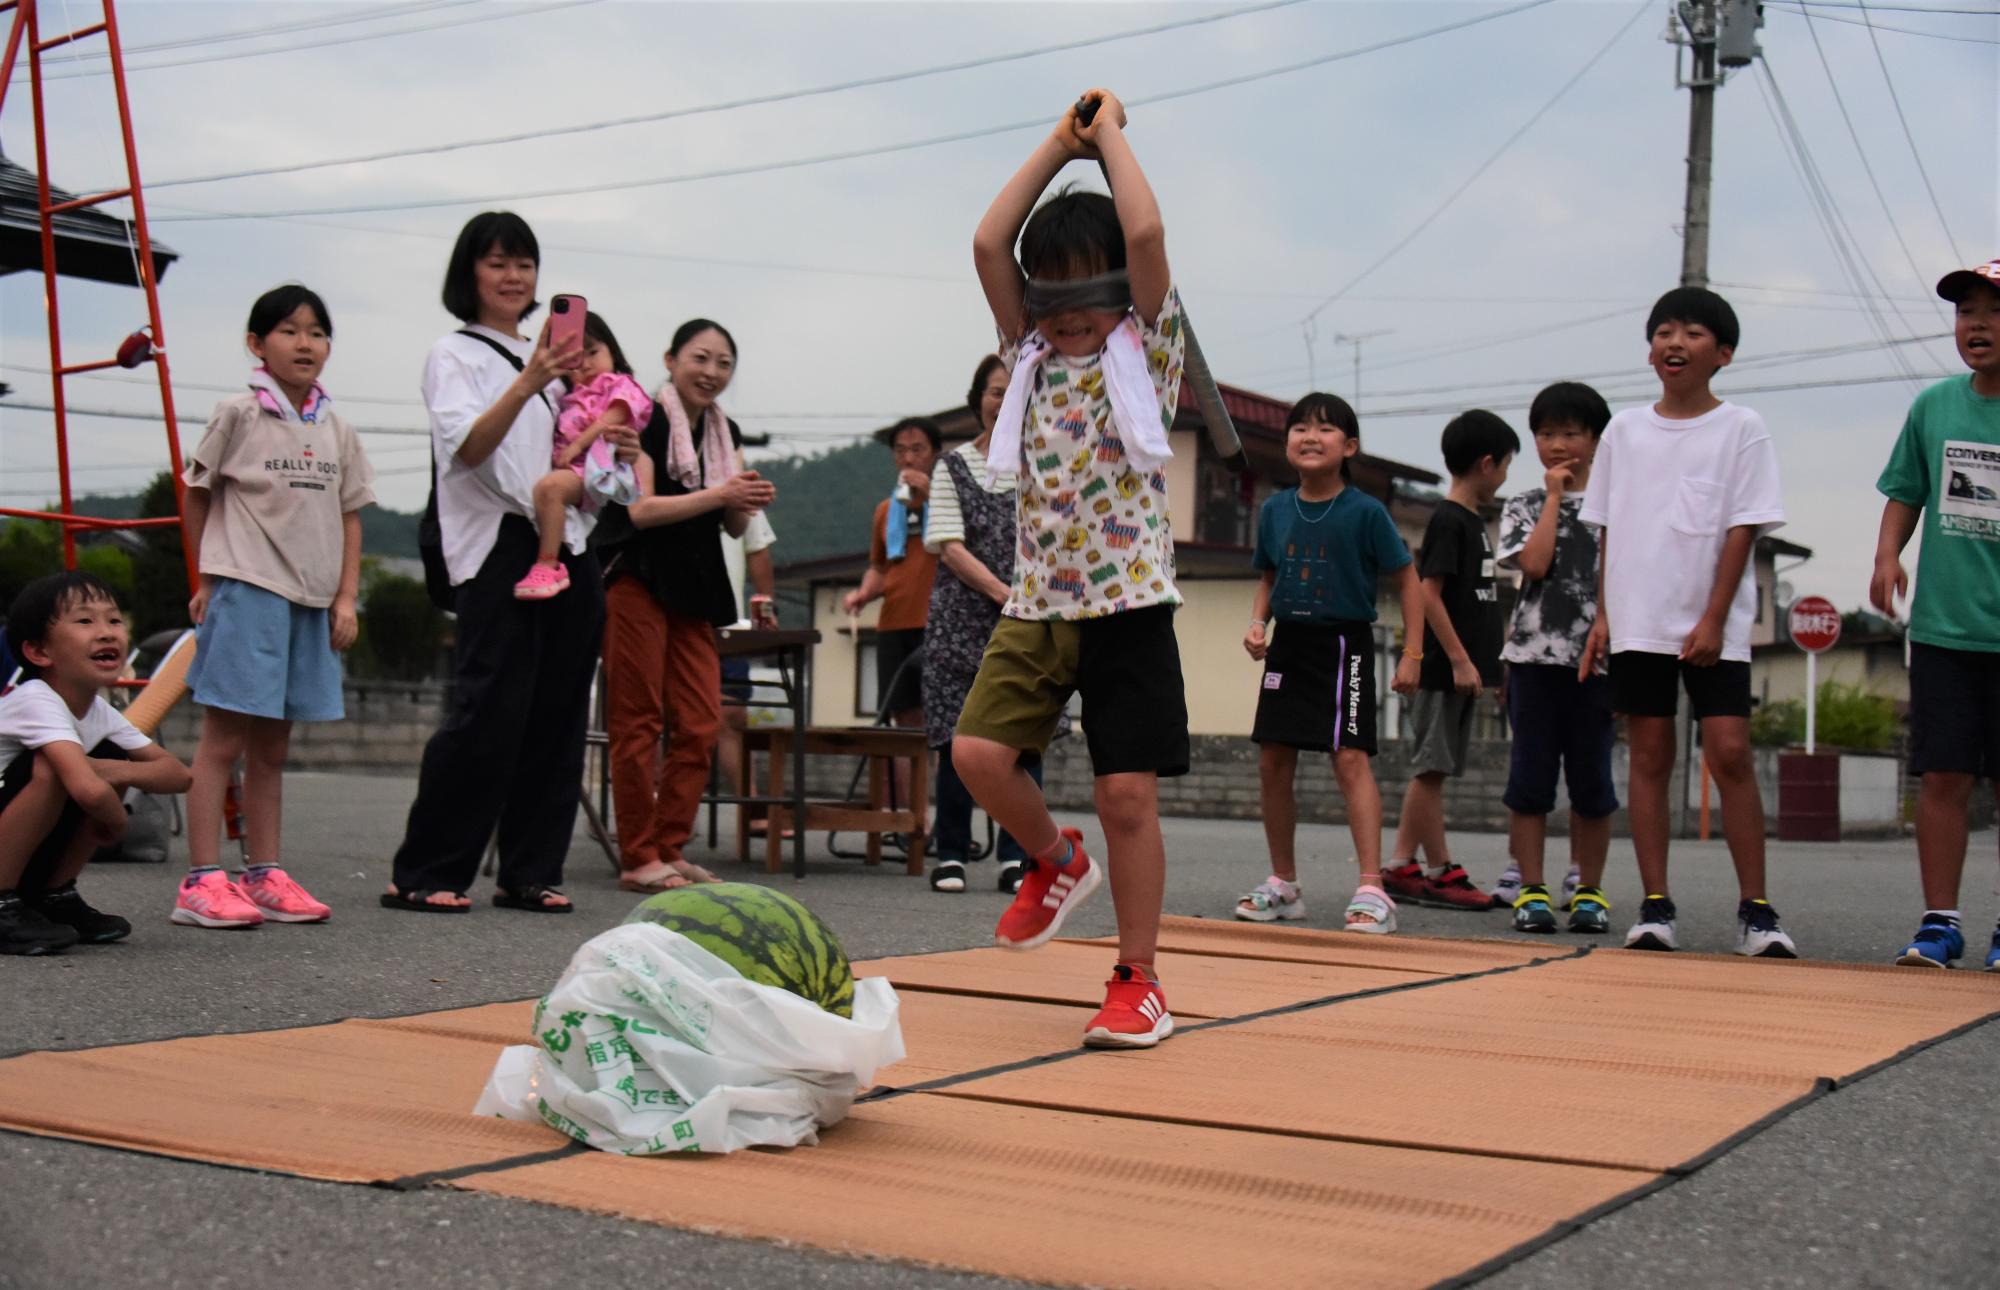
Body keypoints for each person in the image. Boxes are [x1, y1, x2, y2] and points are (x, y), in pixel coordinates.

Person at [957, 88, 1188, 1049]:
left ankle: (1138, 978)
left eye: (1090, 290)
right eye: (1052, 292)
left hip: (1128, 601)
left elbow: (1143, 231)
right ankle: (1055, 862)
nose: (1072, 312)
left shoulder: (1149, 349)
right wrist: (1058, 142)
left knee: (1126, 794)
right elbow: (986, 244)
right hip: (1040, 598)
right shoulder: (1030, 353)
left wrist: (1112, 142)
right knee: (977, 756)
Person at [383, 211, 633, 914]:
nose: (513, 276)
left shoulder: (561, 371)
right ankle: (427, 870)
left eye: (523, 264)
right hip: (499, 541)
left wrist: (615, 455)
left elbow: (571, 458)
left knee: (558, 715)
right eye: (497, 263)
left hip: (569, 540)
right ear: (470, 273)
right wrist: (527, 381)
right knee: (489, 708)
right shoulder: (454, 354)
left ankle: (530, 870)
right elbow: (468, 449)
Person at [1578, 286, 1796, 957]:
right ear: (1651, 351)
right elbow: (1607, 530)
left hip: (1713, 627)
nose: (1675, 342)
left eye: (1694, 333)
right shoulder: (1623, 430)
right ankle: (1654, 906)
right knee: (1648, 755)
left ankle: (1757, 911)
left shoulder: (1741, 428)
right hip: (1638, 621)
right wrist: (1603, 616)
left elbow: (1743, 529)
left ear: (1722, 353)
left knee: (1729, 753)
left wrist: (1710, 618)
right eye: (1664, 331)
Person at [179, 283, 374, 929]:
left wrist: (346, 598)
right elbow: (197, 493)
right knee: (222, 740)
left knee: (273, 747)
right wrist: (206, 577)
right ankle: (202, 881)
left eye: (317, 332)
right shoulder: (237, 413)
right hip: (247, 585)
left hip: (310, 601)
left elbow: (349, 518)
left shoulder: (337, 427)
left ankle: (264, 873)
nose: (305, 343)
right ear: (256, 344)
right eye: (289, 330)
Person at [597, 318, 775, 894]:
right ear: (671, 359)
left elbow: (730, 523)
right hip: (638, 575)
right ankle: (638, 855)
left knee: (701, 722)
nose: (712, 373)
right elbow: (640, 512)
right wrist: (722, 493)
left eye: (724, 363)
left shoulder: (725, 431)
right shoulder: (641, 418)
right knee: (638, 721)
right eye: (701, 358)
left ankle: (669, 848)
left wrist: (743, 498)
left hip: (695, 586)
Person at [1237, 394, 1423, 933]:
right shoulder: (1274, 510)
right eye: (1300, 428)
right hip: (1289, 644)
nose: (1310, 437)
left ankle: (1373, 888)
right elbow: (1269, 578)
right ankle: (1283, 884)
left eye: (1324, 429)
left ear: (1350, 447)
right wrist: (1257, 623)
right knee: (1272, 759)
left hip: (1345, 645)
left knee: (1349, 759)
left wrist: (1413, 653)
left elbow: (1407, 579)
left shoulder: (1366, 511)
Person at [1873, 258, 2000, 971]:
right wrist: (1888, 554)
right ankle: (1940, 923)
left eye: (1992, 310)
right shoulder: (1935, 406)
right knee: (1945, 775)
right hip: (1945, 628)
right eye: (1964, 311)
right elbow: (1905, 492)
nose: (1976, 324)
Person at [0, 573, 192, 953]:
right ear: (39, 652)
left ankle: (53, 894)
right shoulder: (36, 699)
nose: (106, 632)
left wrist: (109, 769)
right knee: (58, 768)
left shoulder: (97, 710)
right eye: (85, 621)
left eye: (114, 620)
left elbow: (179, 775)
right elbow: (87, 789)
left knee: (110, 756)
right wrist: (116, 820)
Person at [1488, 382, 1616, 935]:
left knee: (1593, 783)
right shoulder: (1522, 504)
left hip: (1600, 661)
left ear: (1596, 438)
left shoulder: (1619, 502)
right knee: (1530, 780)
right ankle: (1532, 891)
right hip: (1533, 660)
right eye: (1546, 434)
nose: (1558, 444)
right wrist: (1555, 498)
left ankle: (1588, 891)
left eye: (1571, 433)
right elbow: (1534, 566)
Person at [1382, 410, 1515, 912]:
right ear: (1486, 464)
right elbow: (1429, 594)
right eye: (1504, 465)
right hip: (1442, 671)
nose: (1503, 475)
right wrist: (1459, 660)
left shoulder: (1469, 522)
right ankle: (1438, 869)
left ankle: (1401, 863)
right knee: (1431, 768)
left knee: (1434, 769)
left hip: (1460, 672)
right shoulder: (1448, 521)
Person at [921, 356, 1043, 895]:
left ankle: (1018, 855)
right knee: (958, 737)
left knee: (1026, 738)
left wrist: (1025, 598)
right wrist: (1002, 592)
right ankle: (951, 852)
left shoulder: (1045, 464)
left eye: (1013, 391)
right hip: (962, 623)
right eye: (995, 391)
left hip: (1034, 618)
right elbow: (948, 546)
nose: (1002, 400)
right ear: (979, 399)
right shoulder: (952, 466)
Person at [842, 417, 941, 815]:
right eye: (900, 450)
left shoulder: (951, 499)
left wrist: (932, 495)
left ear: (935, 454)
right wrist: (863, 592)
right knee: (904, 723)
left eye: (917, 449)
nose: (908, 457)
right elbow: (880, 567)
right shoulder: (887, 509)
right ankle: (910, 817)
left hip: (939, 624)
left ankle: (939, 818)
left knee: (941, 723)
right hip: (893, 625)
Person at [514, 312, 646, 599]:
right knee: (548, 493)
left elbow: (614, 415)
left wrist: (577, 445)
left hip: (595, 469)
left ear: (612, 350)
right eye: (575, 360)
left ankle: (548, 564)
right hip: (576, 469)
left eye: (593, 352)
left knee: (549, 490)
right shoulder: (567, 393)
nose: (586, 364)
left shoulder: (620, 384)